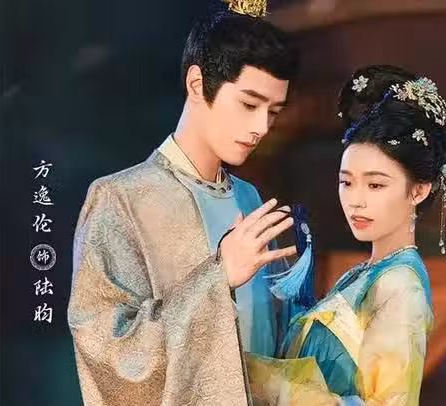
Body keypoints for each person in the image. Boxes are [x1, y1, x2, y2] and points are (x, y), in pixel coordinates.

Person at [67, 1, 301, 405]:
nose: (261, 127)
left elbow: (272, 342)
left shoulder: (249, 198)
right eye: (249, 104)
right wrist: (219, 277)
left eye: (273, 111)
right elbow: (109, 354)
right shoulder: (121, 199)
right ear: (197, 84)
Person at [246, 65, 446, 406]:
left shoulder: (400, 285)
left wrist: (264, 381)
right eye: (347, 182)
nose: (356, 200)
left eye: (375, 185)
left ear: (418, 190)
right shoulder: (368, 272)